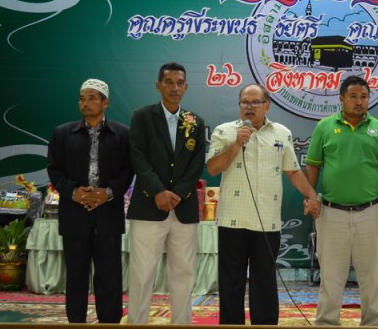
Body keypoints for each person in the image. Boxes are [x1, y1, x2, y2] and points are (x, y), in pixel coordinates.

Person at [206, 84, 321, 325]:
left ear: (267, 105)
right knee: (231, 281)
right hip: (232, 221)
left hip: (267, 222)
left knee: (264, 282)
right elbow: (213, 167)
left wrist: (311, 195)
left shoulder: (282, 133)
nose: (249, 107)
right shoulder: (224, 131)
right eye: (244, 102)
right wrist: (236, 144)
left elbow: (293, 171)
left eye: (254, 102)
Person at [305, 75, 378, 326]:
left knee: (372, 277)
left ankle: (372, 324)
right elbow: (313, 166)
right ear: (341, 99)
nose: (359, 102)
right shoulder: (325, 126)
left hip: (372, 212)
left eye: (364, 96)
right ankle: (326, 323)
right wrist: (311, 196)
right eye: (353, 96)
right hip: (330, 212)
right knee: (331, 277)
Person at [47, 79, 133, 323]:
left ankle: (109, 324)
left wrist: (108, 192)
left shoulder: (122, 134)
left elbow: (128, 171)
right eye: (82, 99)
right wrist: (74, 192)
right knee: (76, 276)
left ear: (105, 102)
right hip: (75, 214)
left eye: (92, 98)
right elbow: (54, 170)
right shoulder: (63, 133)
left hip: (108, 215)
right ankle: (76, 323)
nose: (85, 103)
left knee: (109, 276)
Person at [126, 62, 207, 324]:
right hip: (148, 207)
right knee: (142, 274)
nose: (175, 87)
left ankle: (181, 323)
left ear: (185, 86)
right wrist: (159, 191)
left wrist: (177, 194)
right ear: (158, 85)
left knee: (183, 274)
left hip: (183, 210)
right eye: (169, 82)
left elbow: (197, 164)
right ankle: (137, 323)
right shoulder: (142, 116)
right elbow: (137, 156)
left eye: (180, 82)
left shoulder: (195, 121)